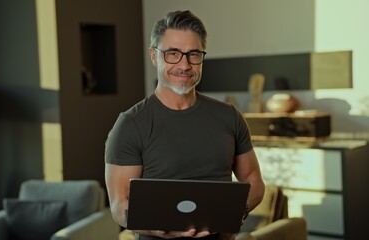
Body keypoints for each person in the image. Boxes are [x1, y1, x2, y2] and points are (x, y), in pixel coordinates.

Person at [105, 10, 265, 240]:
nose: (185, 64)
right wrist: (157, 228)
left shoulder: (229, 116)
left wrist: (236, 212)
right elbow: (120, 204)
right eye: (173, 53)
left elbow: (254, 180)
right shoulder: (130, 124)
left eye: (193, 54)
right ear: (154, 56)